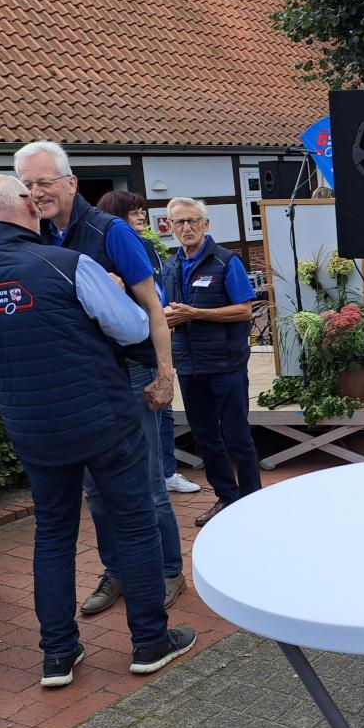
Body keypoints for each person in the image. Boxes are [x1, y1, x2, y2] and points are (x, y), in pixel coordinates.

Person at [0, 176, 196, 686]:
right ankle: (149, 642)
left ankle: (57, 654)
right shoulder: (66, 263)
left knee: (53, 534)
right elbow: (134, 328)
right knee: (134, 524)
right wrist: (111, 298)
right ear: (31, 209)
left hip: (33, 430)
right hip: (104, 421)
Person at [14, 143, 186, 616]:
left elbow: (154, 308)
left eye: (44, 181)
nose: (36, 192)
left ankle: (169, 570)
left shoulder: (111, 232)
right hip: (83, 381)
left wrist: (164, 374)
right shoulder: (34, 237)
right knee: (97, 491)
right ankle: (118, 571)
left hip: (130, 373)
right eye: (27, 185)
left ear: (71, 183)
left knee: (147, 484)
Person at [161, 197, 260, 527]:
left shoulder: (225, 261)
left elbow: (244, 310)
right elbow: (165, 311)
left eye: (193, 221)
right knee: (205, 438)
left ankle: (253, 500)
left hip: (226, 364)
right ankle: (227, 498)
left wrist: (195, 313)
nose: (187, 228)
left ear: (206, 224)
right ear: (170, 227)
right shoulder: (170, 266)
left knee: (237, 436)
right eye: (179, 222)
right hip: (189, 366)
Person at [96, 190, 202, 496]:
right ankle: (153, 483)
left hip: (160, 338)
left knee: (164, 413)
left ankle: (167, 472)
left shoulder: (147, 246)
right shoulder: (107, 250)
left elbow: (155, 291)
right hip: (135, 352)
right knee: (147, 419)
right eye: (134, 212)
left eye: (142, 210)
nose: (142, 216)